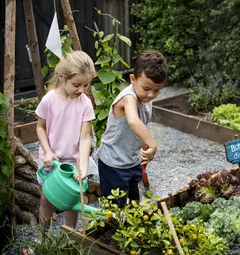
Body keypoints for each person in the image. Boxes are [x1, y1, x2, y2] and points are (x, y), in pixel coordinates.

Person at [97, 51, 168, 205]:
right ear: (132, 79)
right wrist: (153, 144)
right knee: (115, 208)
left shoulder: (145, 98)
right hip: (113, 163)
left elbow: (139, 127)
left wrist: (143, 146)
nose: (150, 95)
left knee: (137, 201)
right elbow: (134, 121)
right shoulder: (128, 98)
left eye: (156, 90)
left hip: (132, 161)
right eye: (146, 88)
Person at [36, 51, 96, 228]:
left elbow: (85, 137)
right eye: (77, 84)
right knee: (45, 199)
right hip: (50, 160)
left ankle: (70, 238)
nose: (82, 90)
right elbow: (40, 127)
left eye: (86, 85)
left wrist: (83, 166)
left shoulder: (85, 103)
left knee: (72, 202)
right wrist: (47, 151)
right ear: (62, 77)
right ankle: (43, 240)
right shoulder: (49, 100)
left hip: (73, 160)